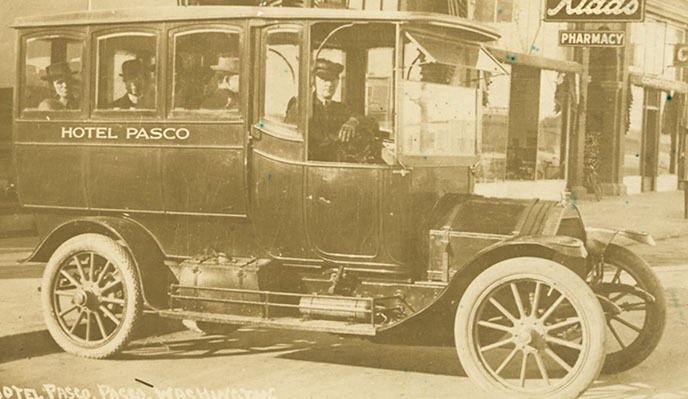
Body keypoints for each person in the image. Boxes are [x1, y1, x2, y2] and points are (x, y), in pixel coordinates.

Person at [286, 58, 362, 162]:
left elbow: (367, 120)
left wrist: (353, 121)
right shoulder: (300, 106)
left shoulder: (341, 108)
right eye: (324, 80)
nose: (329, 84)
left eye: (333, 80)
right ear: (313, 81)